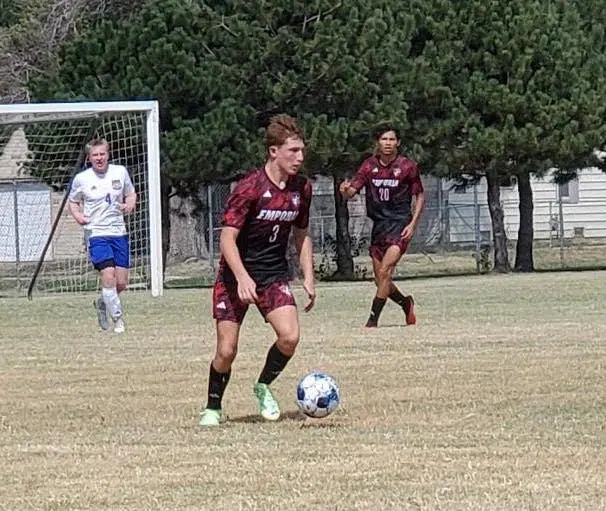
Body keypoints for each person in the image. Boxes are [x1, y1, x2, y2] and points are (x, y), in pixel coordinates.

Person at [199, 114, 315, 427]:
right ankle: (212, 407)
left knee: (289, 337)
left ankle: (263, 385)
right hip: (235, 275)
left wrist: (308, 274)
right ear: (273, 152)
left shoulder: (301, 188)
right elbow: (226, 237)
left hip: (273, 273)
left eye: (302, 150)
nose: (300, 157)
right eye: (293, 151)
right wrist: (241, 277)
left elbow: (301, 232)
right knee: (226, 350)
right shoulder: (249, 188)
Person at [340, 125, 425, 328]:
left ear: (398, 143)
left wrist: (413, 224)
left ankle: (372, 320)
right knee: (380, 281)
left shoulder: (407, 166)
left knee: (386, 271)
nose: (388, 143)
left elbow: (420, 194)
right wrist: (344, 190)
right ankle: (405, 302)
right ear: (378, 142)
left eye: (392, 139)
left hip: (400, 224)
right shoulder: (369, 166)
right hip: (379, 225)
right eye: (384, 139)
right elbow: (352, 191)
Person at [68, 138, 136, 334]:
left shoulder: (120, 172)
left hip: (119, 232)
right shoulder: (82, 179)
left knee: (121, 282)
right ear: (89, 158)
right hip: (96, 233)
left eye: (102, 154)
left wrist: (130, 204)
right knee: (108, 275)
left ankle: (103, 304)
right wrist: (79, 216)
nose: (99, 158)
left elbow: (131, 194)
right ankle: (118, 321)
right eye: (95, 155)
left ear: (108, 154)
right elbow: (73, 202)